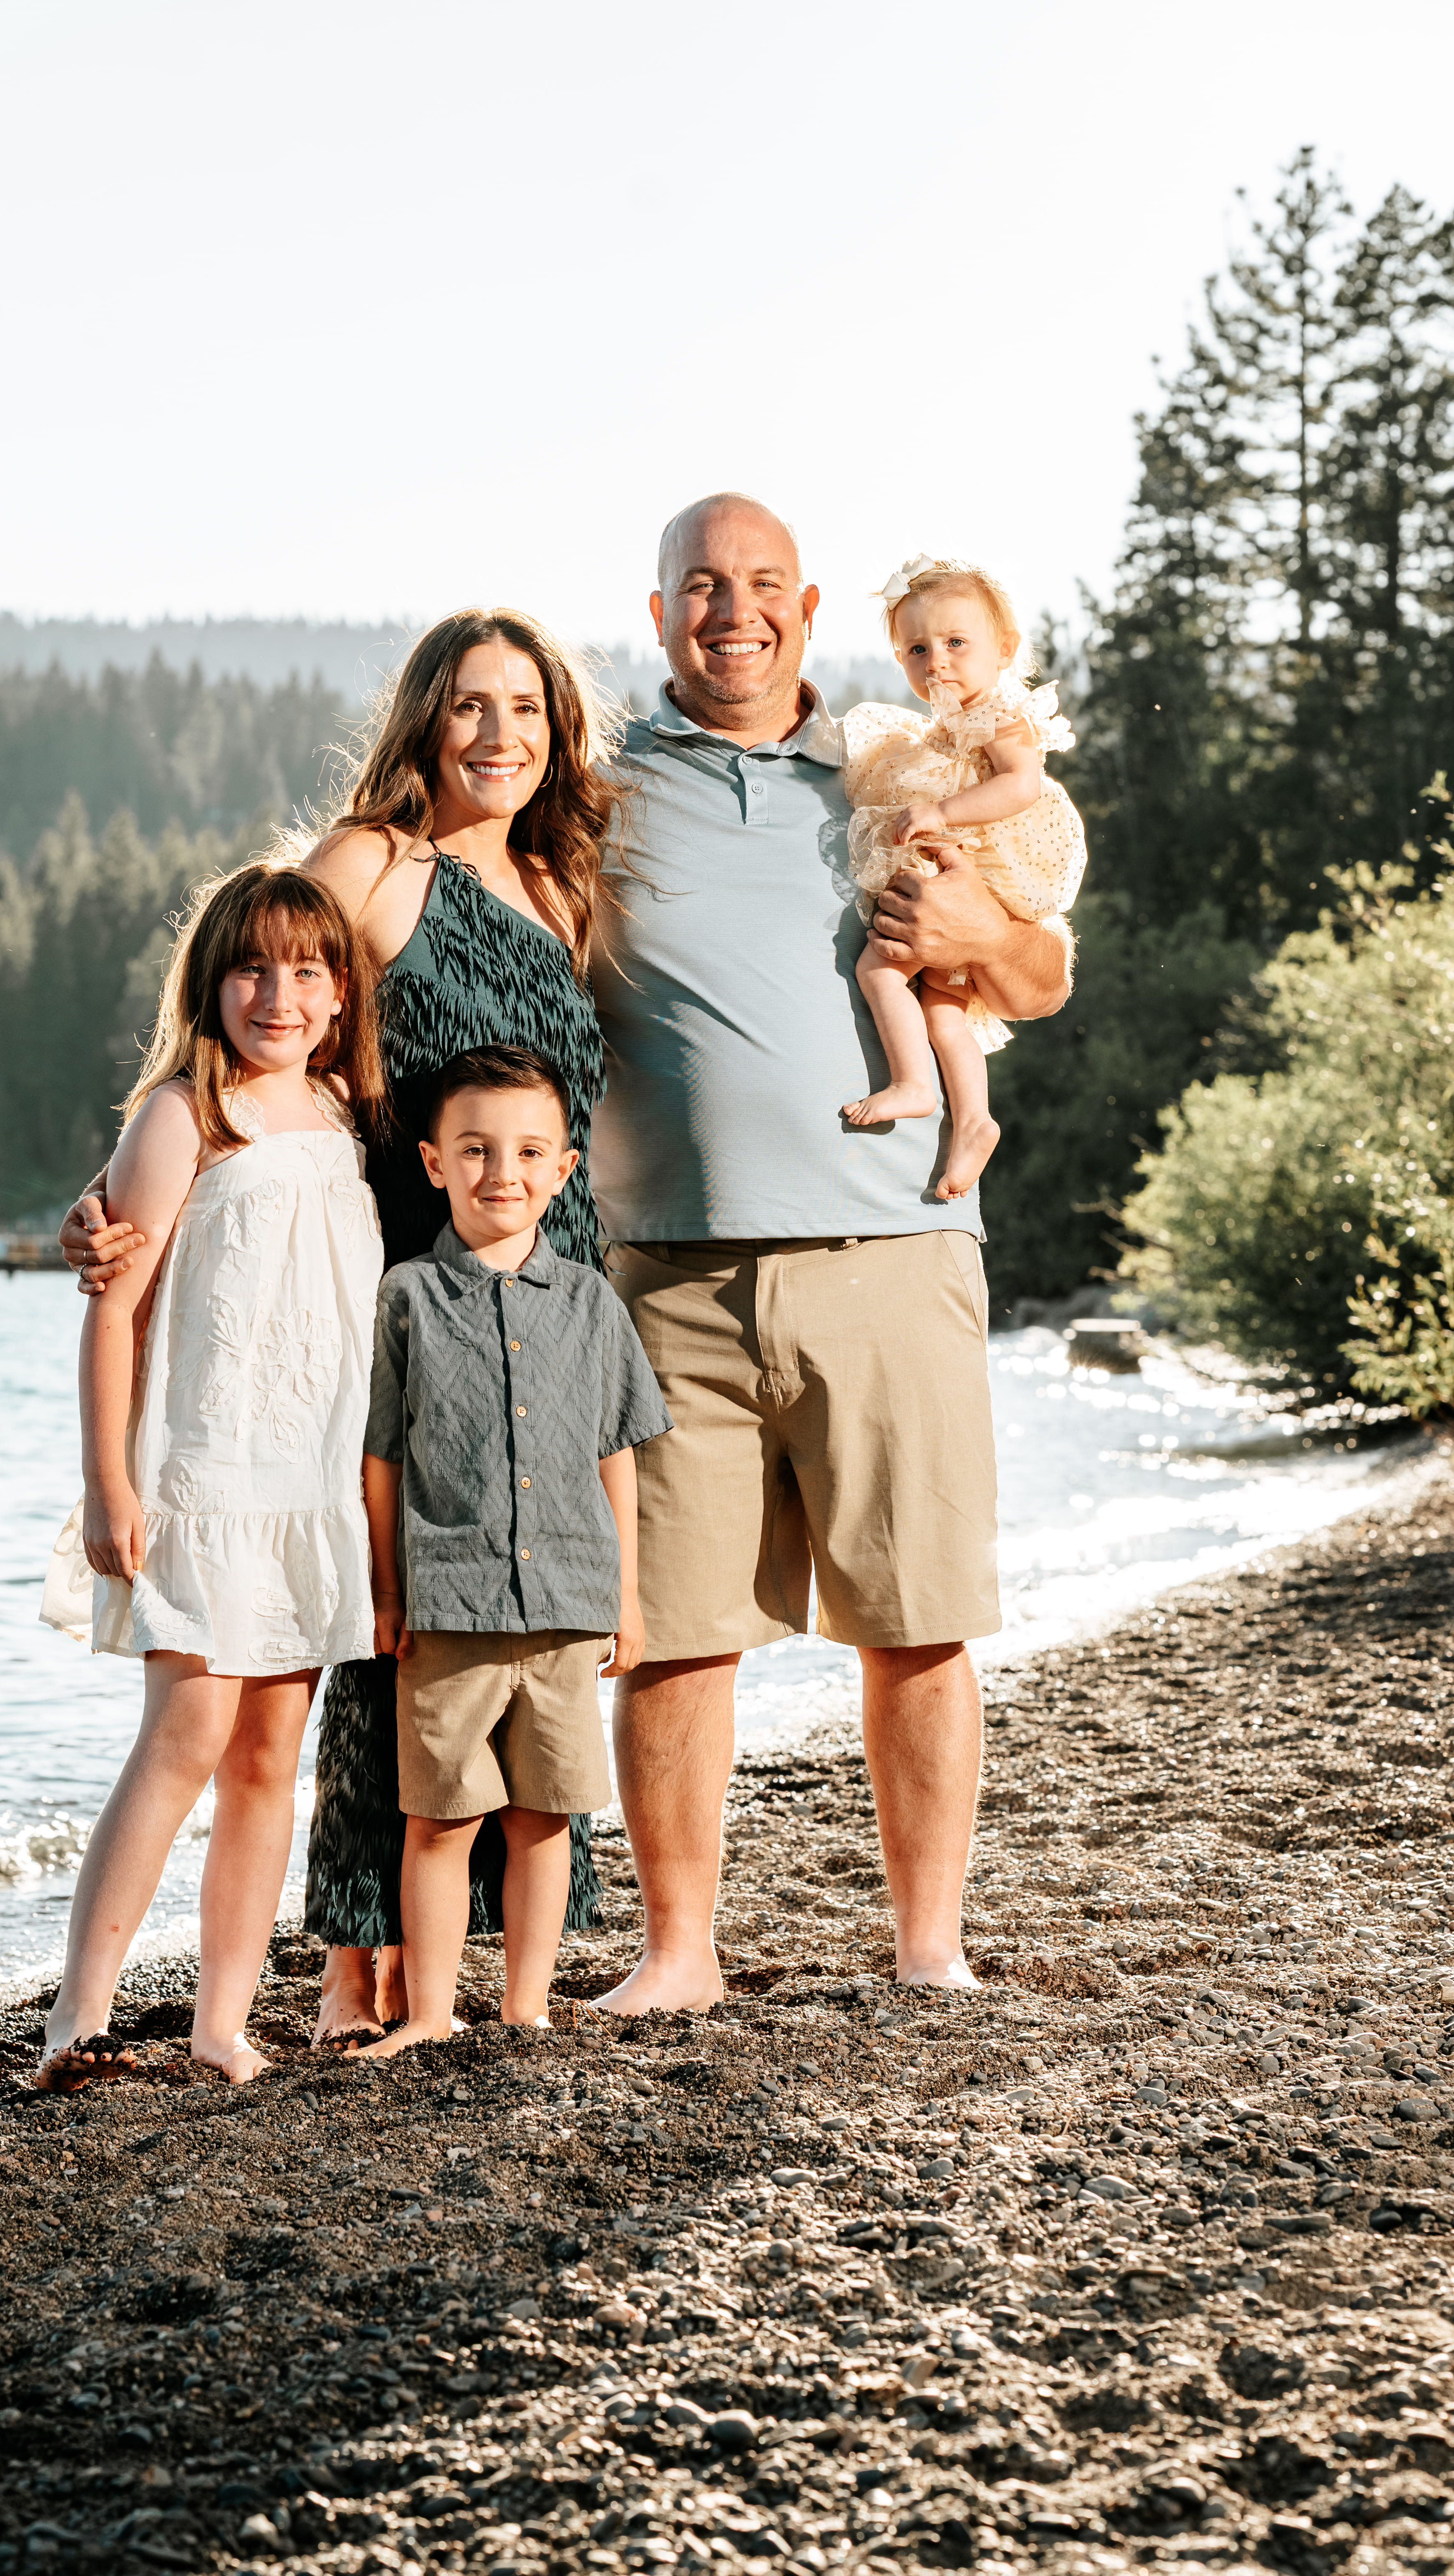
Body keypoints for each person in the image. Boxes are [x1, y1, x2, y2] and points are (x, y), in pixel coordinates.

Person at [58, 610, 627, 2044]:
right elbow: (258, 1007)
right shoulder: (375, 863)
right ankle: (355, 1955)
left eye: (525, 710)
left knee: (522, 1606)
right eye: (468, 706)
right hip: (397, 1270)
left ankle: (482, 1956)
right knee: (391, 1623)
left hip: (554, 1269)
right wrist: (120, 1192)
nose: (497, 735)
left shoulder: (563, 885)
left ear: (556, 733)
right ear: (425, 721)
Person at [586, 491, 1075, 2012]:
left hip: (892, 1243)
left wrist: (958, 928)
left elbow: (1040, 968)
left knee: (915, 1619)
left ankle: (928, 1943)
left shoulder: (882, 764)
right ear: (658, 608)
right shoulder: (595, 789)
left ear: (804, 613)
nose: (729, 610)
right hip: (662, 1274)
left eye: (760, 586)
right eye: (698, 586)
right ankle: (678, 1953)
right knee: (671, 1635)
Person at [35, 860, 385, 2087]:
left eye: (305, 969)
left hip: (310, 1481)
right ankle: (78, 2017)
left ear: (341, 994)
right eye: (250, 967)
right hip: (201, 1472)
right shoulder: (186, 1113)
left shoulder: (347, 1116)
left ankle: (220, 2022)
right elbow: (114, 1312)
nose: (277, 994)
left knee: (266, 1761)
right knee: (184, 1737)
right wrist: (108, 1486)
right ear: (209, 983)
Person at [355, 1044, 668, 2058]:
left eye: (530, 1152)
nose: (504, 1172)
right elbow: (381, 1460)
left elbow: (616, 1455)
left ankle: (524, 2002)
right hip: (448, 1609)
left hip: (570, 1604)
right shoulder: (405, 1299)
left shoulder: (590, 1302)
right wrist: (387, 1589)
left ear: (564, 1169)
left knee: (546, 1815)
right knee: (440, 1818)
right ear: (434, 1161)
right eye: (477, 1149)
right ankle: (432, 2011)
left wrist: (626, 1594)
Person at [837, 554, 1087, 1198]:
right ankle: (973, 1120)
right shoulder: (944, 726)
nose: (937, 663)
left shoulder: (999, 714)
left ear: (1003, 650)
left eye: (955, 643)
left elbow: (1022, 783)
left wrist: (941, 811)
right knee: (944, 1012)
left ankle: (914, 1084)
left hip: (982, 865)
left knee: (877, 968)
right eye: (916, 650)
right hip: (959, 866)